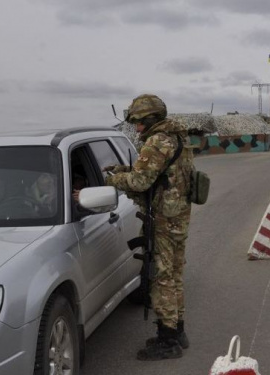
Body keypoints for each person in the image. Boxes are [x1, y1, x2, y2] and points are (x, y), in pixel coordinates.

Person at [105, 94, 193, 361]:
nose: (137, 127)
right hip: (178, 216)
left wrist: (113, 179)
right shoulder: (178, 137)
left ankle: (168, 342)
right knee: (175, 275)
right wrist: (124, 169)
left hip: (164, 220)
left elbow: (141, 181)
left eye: (140, 122)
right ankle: (177, 331)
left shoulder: (157, 141)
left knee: (161, 278)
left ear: (152, 118)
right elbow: (158, 172)